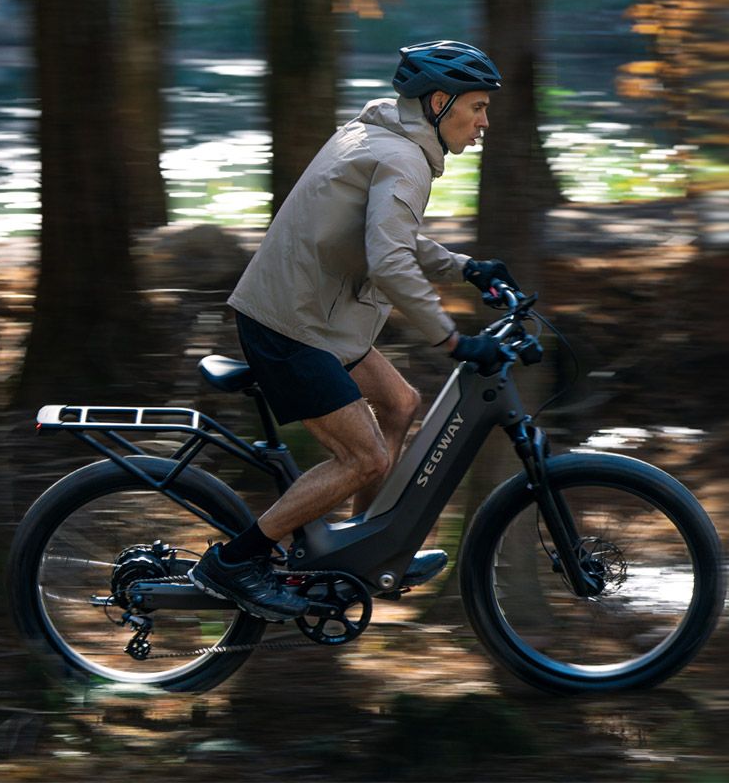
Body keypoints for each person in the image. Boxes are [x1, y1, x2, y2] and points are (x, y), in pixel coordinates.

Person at [188, 40, 519, 621]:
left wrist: (464, 268)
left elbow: (391, 234)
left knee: (399, 402)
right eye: (478, 106)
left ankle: (364, 548)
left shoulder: (381, 137)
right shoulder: (405, 159)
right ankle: (235, 562)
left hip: (315, 319)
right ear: (440, 102)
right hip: (289, 326)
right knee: (363, 458)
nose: (485, 121)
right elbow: (390, 261)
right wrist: (451, 340)